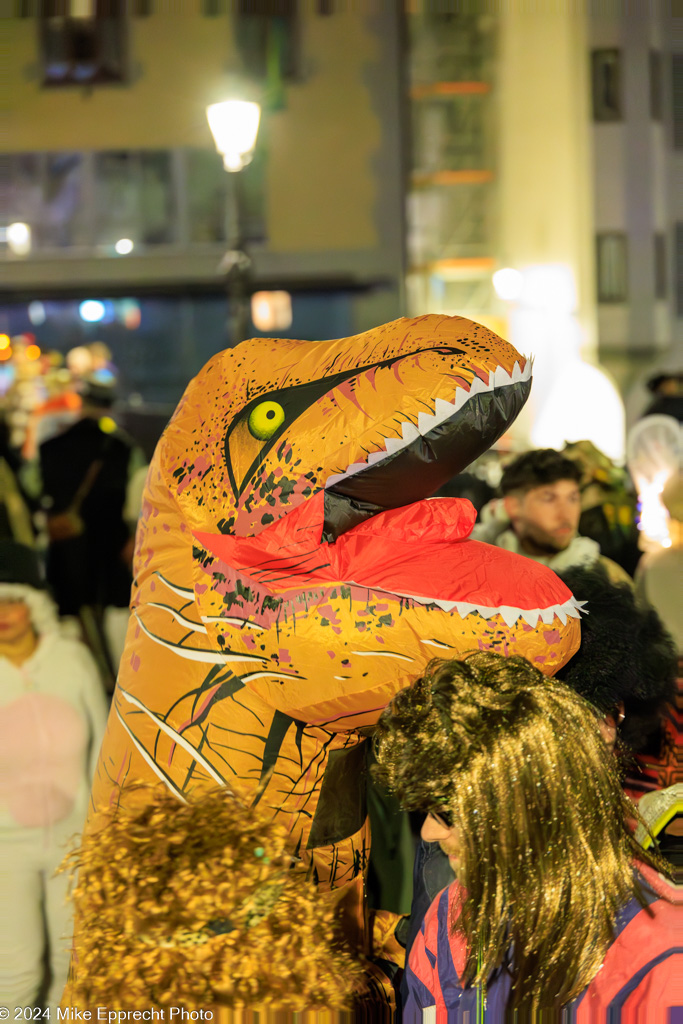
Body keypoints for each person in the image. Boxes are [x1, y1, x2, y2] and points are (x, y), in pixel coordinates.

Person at [373, 652, 680, 1020]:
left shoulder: (660, 958)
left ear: (526, 804)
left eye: (449, 811)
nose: (429, 831)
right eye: (426, 810)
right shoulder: (446, 920)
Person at [0, 541, 109, 1013]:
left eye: (13, 599)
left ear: (35, 602)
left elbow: (105, 745)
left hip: (75, 844)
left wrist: (103, 831)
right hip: (6, 850)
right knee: (16, 972)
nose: (3, 613)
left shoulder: (72, 660)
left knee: (73, 967)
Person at [39, 378, 145, 686]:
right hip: (110, 544)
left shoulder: (51, 446)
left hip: (66, 544)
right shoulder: (123, 448)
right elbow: (138, 500)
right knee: (114, 612)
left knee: (71, 613)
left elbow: (35, 492)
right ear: (109, 409)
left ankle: (83, 680)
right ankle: (122, 680)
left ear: (82, 404)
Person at [473, 448, 632, 585]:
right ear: (512, 506)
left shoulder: (608, 579)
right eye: (548, 498)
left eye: (573, 498)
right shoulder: (476, 571)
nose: (565, 514)